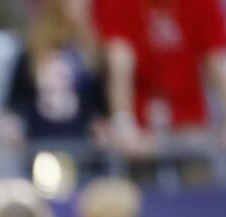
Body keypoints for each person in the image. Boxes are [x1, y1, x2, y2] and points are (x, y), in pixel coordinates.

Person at [92, 0, 226, 159]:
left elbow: (217, 63)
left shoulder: (202, 4)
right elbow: (119, 63)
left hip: (188, 125)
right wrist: (124, 124)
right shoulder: (119, 4)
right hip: (140, 130)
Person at [0, 0, 107, 147]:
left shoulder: (91, 52)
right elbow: (14, 103)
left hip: (83, 147)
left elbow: (99, 105)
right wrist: (10, 127)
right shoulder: (32, 53)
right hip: (39, 145)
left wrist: (104, 128)